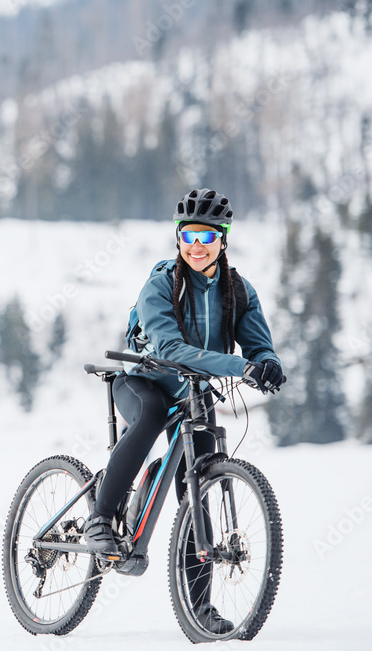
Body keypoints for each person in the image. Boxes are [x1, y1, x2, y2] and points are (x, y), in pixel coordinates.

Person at [84, 188, 284, 633]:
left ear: (223, 241)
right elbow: (171, 347)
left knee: (199, 494)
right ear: (178, 239)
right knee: (151, 416)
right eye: (189, 235)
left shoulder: (238, 290)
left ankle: (202, 610)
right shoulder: (160, 284)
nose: (197, 245)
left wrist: (267, 363)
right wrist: (239, 365)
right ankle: (99, 519)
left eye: (207, 237)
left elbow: (257, 343)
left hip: (195, 393)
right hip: (143, 381)